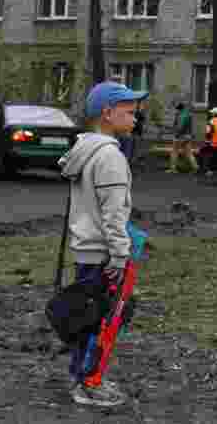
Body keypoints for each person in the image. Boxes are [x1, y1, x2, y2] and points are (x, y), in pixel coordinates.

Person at [58, 80, 147, 408]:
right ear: (108, 114)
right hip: (104, 252)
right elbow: (113, 213)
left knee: (88, 316)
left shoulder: (86, 149)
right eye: (129, 112)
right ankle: (88, 384)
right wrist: (120, 255)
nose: (135, 118)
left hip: (87, 246)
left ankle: (84, 377)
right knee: (102, 320)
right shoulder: (110, 156)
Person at [166, 102, 198, 174]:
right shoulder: (189, 114)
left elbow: (180, 126)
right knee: (189, 153)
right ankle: (195, 167)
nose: (176, 110)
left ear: (179, 109)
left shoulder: (181, 115)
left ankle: (173, 168)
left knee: (174, 152)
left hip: (180, 137)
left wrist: (177, 134)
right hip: (188, 136)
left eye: (177, 109)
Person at [198, 107, 217, 177]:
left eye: (212, 113)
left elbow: (208, 132)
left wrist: (206, 141)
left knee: (203, 152)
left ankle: (208, 170)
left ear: (214, 114)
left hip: (213, 142)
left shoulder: (211, 121)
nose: (211, 114)